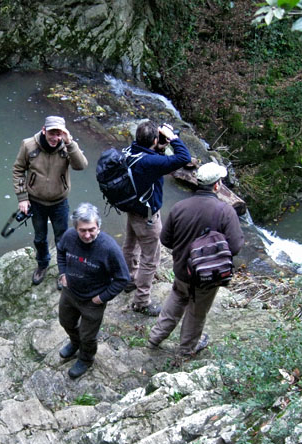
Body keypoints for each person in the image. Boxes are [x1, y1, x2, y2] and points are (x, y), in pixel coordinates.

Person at [148, 162, 244, 355]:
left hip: (182, 270)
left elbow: (166, 239)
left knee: (176, 298)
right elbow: (235, 246)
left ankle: (155, 337)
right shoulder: (225, 211)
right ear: (217, 185)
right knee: (197, 310)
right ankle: (186, 348)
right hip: (208, 275)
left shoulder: (179, 207)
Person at [123, 120, 191, 316]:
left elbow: (150, 163)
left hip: (133, 207)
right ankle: (142, 300)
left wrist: (159, 148)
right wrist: (173, 138)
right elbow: (183, 157)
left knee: (130, 244)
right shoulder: (150, 162)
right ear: (154, 139)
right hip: (147, 215)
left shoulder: (131, 151)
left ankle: (128, 279)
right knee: (151, 258)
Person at [56, 203, 129, 379]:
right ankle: (75, 343)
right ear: (76, 228)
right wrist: (63, 273)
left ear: (98, 227)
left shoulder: (109, 248)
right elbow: (60, 251)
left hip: (92, 301)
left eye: (91, 229)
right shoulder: (69, 236)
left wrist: (102, 298)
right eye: (82, 230)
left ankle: (86, 359)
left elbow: (123, 278)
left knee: (88, 336)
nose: (87, 235)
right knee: (65, 322)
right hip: (70, 292)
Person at [13, 115, 88, 286]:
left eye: (59, 134)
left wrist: (70, 143)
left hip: (59, 202)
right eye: (52, 133)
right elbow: (18, 170)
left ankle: (64, 271)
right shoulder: (28, 145)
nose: (55, 138)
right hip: (36, 202)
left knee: (62, 238)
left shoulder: (67, 147)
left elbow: (81, 166)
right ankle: (42, 264)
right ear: (44, 130)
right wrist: (22, 198)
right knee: (40, 238)